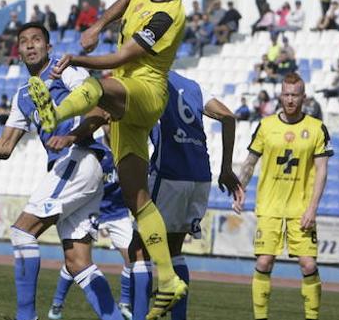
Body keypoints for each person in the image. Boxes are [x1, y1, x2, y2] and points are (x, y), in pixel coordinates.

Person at [25, 0, 207, 319]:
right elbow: (126, 0)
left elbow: (124, 58)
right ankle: (170, 280)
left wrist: (77, 57)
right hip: (128, 108)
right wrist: (97, 24)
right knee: (136, 198)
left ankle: (52, 113)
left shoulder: (167, 16)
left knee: (99, 85)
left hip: (145, 90)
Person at [0, 23, 125, 320]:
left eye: (37, 40)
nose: (30, 45)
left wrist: (72, 136)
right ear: (19, 51)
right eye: (24, 42)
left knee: (22, 232)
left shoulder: (66, 71)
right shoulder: (23, 95)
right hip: (77, 168)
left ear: (49, 47)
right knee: (77, 262)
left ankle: (26, 317)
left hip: (79, 157)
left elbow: (99, 111)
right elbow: (4, 146)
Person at [46, 71, 244, 320]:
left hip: (169, 173)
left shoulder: (142, 82)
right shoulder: (192, 85)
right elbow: (228, 116)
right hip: (200, 175)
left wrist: (72, 134)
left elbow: (103, 112)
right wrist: (226, 168)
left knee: (139, 249)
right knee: (174, 249)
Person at [238, 72, 333, 320]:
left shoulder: (316, 128)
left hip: (300, 208)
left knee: (308, 265)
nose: (290, 99)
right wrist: (240, 188)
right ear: (281, 95)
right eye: (286, 94)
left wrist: (313, 208)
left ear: (304, 97)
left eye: (295, 95)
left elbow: (322, 170)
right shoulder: (266, 125)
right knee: (264, 262)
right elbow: (250, 162)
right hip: (269, 206)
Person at [48, 129, 134, 320]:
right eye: (109, 123)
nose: (112, 127)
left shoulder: (129, 150)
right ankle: (57, 304)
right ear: (103, 125)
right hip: (93, 209)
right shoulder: (93, 150)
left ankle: (125, 303)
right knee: (77, 261)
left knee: (133, 258)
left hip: (118, 213)